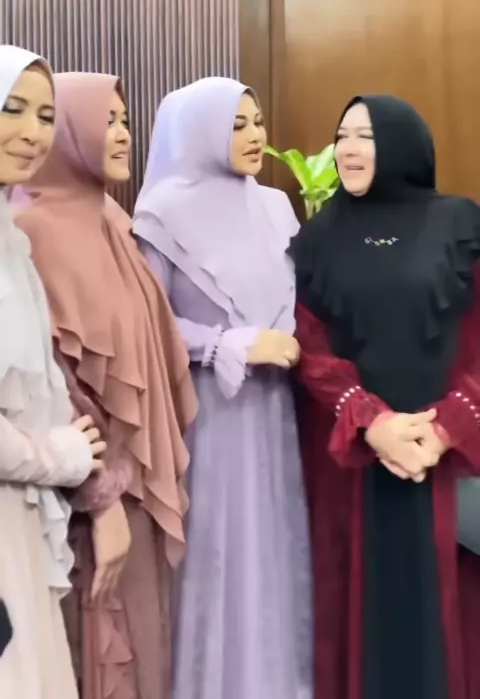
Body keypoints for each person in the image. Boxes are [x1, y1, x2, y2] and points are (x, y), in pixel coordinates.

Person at [289, 94, 480, 699]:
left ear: (400, 143)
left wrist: (445, 427)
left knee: (448, 618)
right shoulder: (318, 236)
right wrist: (370, 421)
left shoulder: (460, 223)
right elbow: (309, 344)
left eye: (366, 136)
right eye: (342, 134)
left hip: (445, 461)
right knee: (361, 618)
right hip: (355, 463)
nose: (348, 148)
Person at [14, 72, 197, 699]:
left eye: (124, 121)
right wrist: (104, 502)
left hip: (136, 488)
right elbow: (57, 385)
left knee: (147, 648)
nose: (121, 134)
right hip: (84, 501)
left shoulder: (114, 223)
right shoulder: (32, 232)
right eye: (106, 121)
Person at [133, 77, 313, 699]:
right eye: (237, 125)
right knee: (217, 551)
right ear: (199, 131)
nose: (255, 135)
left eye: (257, 121)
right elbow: (149, 324)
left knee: (272, 547)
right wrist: (227, 344)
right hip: (210, 412)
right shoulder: (162, 213)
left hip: (275, 409)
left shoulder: (276, 206)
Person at [0, 46, 105, 698]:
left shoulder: (13, 240)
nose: (32, 132)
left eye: (45, 116)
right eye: (12, 109)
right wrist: (57, 456)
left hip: (19, 518)